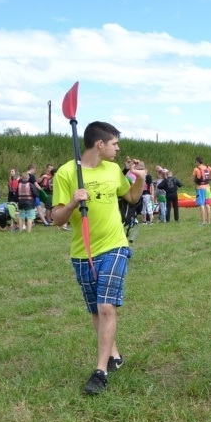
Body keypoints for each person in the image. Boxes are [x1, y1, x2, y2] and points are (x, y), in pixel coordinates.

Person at [52, 121, 146, 395]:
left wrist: (139, 179)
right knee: (96, 309)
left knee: (106, 306)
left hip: (115, 245)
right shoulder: (67, 173)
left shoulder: (114, 169)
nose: (118, 149)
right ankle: (114, 356)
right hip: (83, 252)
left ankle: (100, 371)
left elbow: (129, 197)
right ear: (100, 144)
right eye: (115, 143)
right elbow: (57, 219)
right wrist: (72, 202)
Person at [193, 156, 211, 226]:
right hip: (208, 188)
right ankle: (208, 221)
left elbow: (194, 179)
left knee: (202, 205)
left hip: (200, 188)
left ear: (197, 162)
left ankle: (203, 222)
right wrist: (210, 179)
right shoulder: (207, 167)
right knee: (207, 205)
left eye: (195, 161)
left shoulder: (196, 169)